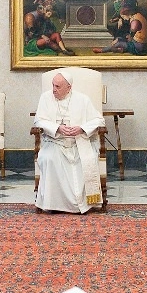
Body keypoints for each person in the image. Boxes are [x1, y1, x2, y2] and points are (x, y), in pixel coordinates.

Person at [34, 71, 105, 214]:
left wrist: (81, 129)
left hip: (79, 143)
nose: (54, 89)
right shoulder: (45, 98)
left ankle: (81, 204)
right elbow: (39, 120)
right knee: (49, 159)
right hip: (55, 142)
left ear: (69, 87)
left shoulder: (83, 100)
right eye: (53, 85)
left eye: (58, 86)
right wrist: (57, 128)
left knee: (86, 160)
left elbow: (99, 120)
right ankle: (54, 204)